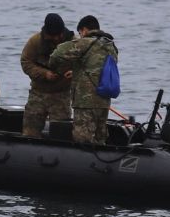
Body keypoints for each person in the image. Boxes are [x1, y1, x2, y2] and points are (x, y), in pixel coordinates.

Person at [48, 15, 118, 145]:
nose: (80, 36)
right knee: (100, 139)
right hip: (103, 101)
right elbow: (98, 68)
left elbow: (57, 53)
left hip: (85, 101)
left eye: (80, 33)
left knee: (82, 139)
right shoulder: (110, 45)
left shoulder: (85, 42)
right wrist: (76, 72)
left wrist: (52, 66)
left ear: (84, 30)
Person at [20, 13, 74, 137]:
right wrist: (44, 74)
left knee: (61, 135)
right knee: (30, 132)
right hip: (38, 94)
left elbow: (83, 64)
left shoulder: (73, 42)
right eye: (53, 36)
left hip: (62, 95)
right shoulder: (35, 42)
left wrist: (74, 72)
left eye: (59, 35)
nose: (56, 39)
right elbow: (25, 62)